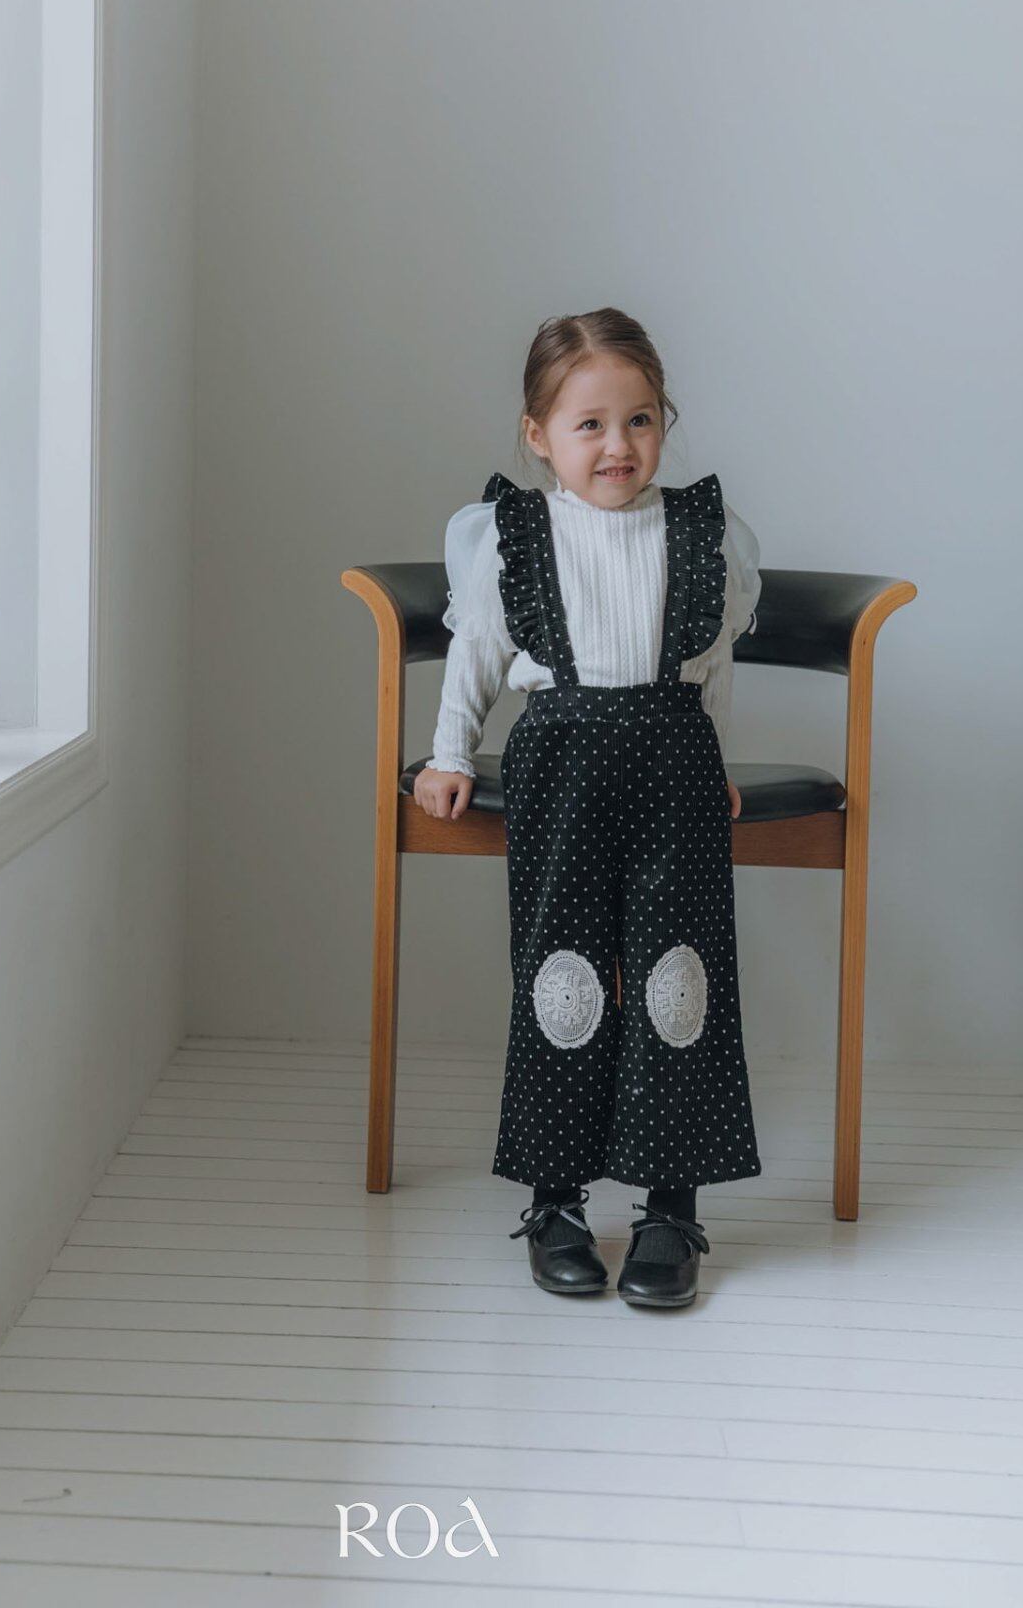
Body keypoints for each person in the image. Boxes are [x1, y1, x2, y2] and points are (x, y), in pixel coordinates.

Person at [413, 307, 762, 1310]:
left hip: (673, 761)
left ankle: (670, 1208)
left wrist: (718, 765)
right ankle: (556, 1200)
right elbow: (477, 655)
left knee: (677, 978)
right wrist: (448, 755)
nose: (619, 445)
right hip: (559, 764)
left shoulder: (700, 532)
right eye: (590, 424)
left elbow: (712, 668)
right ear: (538, 435)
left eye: (640, 419)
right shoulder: (515, 535)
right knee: (559, 975)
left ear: (664, 422)